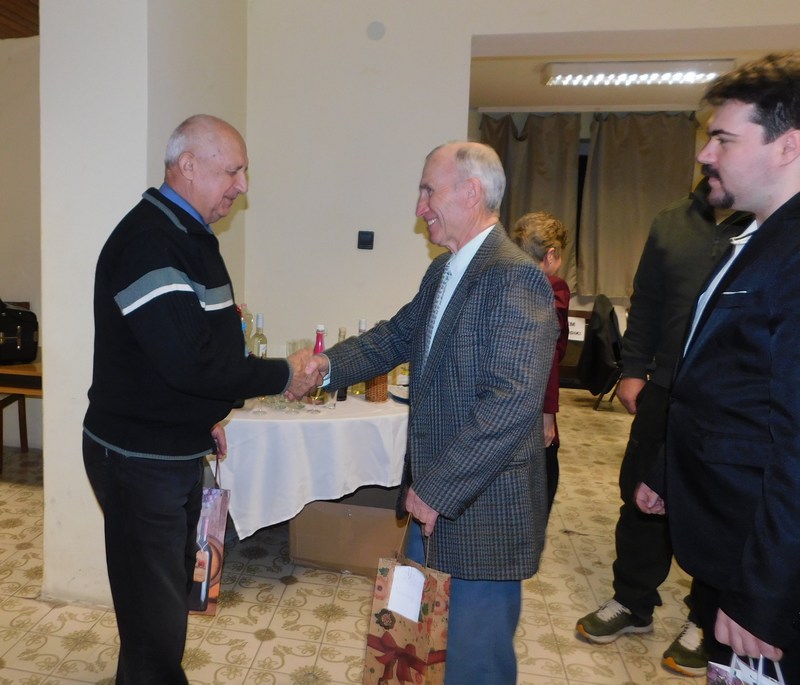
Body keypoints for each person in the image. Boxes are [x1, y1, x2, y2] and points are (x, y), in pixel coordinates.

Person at [307, 141, 558, 684]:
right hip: (436, 501)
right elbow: (394, 336)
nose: (419, 207)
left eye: (428, 191)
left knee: (474, 664)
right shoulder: (445, 270)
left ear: (471, 192)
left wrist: (437, 489)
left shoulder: (515, 275)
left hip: (481, 510)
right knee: (427, 651)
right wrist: (323, 367)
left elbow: (512, 400)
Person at [82, 114, 318, 684]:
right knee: (154, 616)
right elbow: (189, 363)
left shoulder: (188, 235)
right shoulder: (149, 242)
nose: (242, 186)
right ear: (187, 165)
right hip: (139, 458)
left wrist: (205, 415)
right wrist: (282, 374)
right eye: (232, 171)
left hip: (171, 447)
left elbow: (187, 351)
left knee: (161, 605)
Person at [636, 52, 800, 680]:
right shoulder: (750, 237)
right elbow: (722, 380)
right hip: (726, 536)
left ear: (787, 146)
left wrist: (764, 596)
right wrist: (668, 470)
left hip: (766, 569)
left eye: (723, 139)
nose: (705, 154)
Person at [574, 179, 751, 676]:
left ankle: (703, 618)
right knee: (640, 496)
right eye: (713, 143)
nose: (712, 156)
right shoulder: (673, 222)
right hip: (666, 390)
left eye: (726, 143)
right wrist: (633, 369)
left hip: (733, 401)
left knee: (715, 509)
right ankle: (632, 601)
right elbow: (647, 301)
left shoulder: (770, 222)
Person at [511, 211, 570, 512]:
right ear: (551, 254)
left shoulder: (505, 280)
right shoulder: (553, 287)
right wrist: (548, 414)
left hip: (504, 396)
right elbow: (548, 354)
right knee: (541, 487)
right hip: (535, 400)